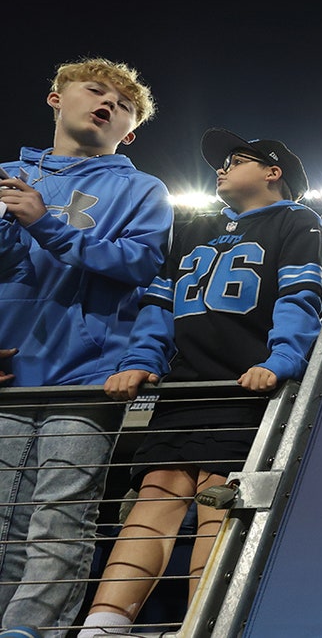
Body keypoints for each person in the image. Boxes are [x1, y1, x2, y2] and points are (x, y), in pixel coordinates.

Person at [77, 129, 322, 637]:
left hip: (243, 387)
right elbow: (159, 304)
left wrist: (282, 360)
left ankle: (201, 625)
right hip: (183, 386)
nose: (221, 168)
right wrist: (143, 358)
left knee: (218, 500)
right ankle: (103, 625)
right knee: (155, 497)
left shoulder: (297, 220)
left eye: (236, 160)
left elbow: (301, 296)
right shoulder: (194, 227)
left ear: (272, 171)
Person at [0, 57, 171, 637]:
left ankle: (30, 631)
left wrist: (46, 225)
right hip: (7, 379)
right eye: (94, 91)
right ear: (56, 97)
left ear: (131, 131)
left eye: (123, 105)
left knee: (59, 518)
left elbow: (143, 263)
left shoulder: (141, 189)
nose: (107, 104)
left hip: (86, 375)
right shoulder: (4, 177)